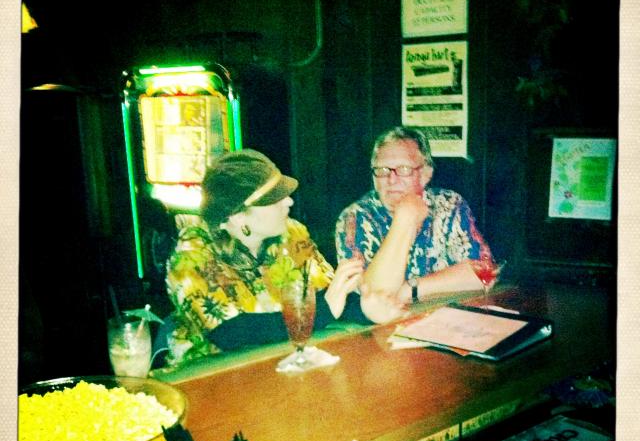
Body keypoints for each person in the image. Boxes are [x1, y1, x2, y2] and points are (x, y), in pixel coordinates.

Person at [163, 149, 380, 365]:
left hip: (286, 359)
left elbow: (329, 296)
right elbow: (231, 333)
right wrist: (324, 311)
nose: (289, 202)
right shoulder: (191, 256)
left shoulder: (292, 234)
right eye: (274, 197)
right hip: (212, 373)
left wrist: (367, 308)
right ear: (237, 217)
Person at [335, 126, 492, 306]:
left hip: (447, 316)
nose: (391, 180)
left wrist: (411, 289)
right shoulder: (355, 218)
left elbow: (485, 272)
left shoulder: (449, 204)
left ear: (426, 174)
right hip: (386, 323)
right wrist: (403, 220)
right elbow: (375, 298)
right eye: (383, 170)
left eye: (404, 169)